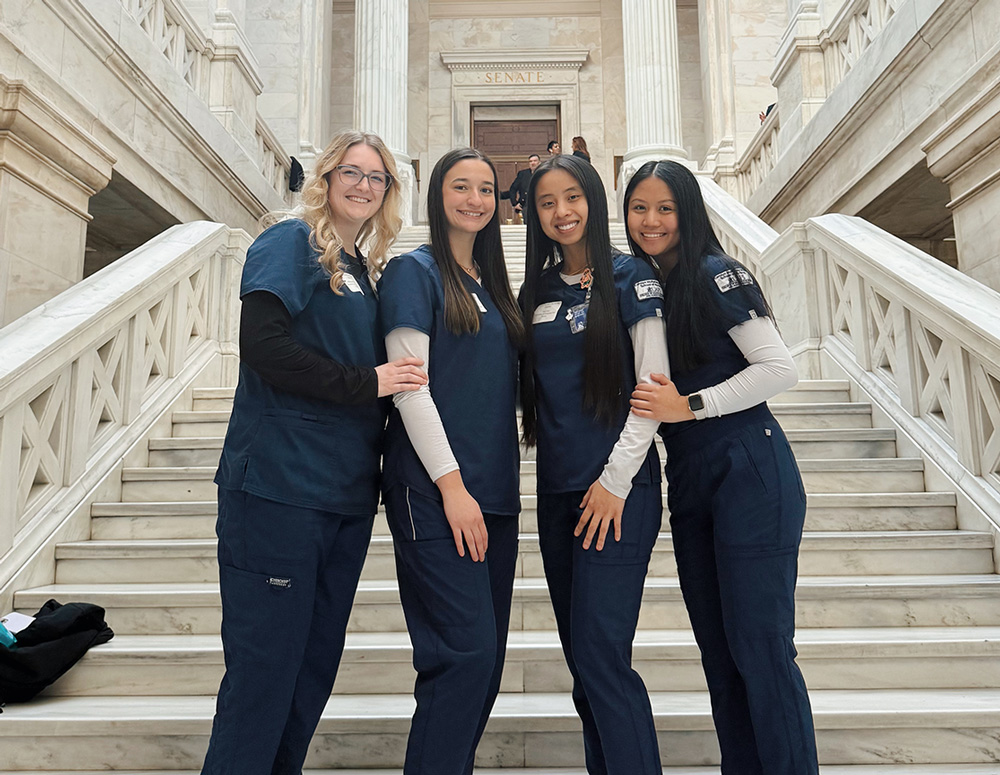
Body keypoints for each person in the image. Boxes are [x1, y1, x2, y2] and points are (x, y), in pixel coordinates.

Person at [203, 131, 428, 775]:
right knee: (264, 676)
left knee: (310, 675)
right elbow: (266, 349)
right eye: (350, 172)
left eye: (376, 177)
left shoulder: (363, 269)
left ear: (388, 192)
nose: (363, 185)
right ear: (326, 178)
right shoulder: (289, 243)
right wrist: (370, 383)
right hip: (278, 488)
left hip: (343, 497)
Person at [625, 159, 819, 775]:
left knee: (761, 649)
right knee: (720, 653)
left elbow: (779, 369)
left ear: (688, 212)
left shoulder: (716, 273)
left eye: (665, 208)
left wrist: (692, 405)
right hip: (690, 477)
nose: (651, 221)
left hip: (749, 467)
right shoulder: (650, 283)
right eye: (639, 208)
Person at [378, 147, 525, 775]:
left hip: (495, 495)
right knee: (461, 657)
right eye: (460, 187)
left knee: (483, 664)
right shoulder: (414, 272)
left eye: (486, 189)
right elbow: (411, 386)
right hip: (436, 492)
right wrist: (452, 486)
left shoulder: (493, 287)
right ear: (436, 197)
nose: (475, 200)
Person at [519, 154, 667, 775]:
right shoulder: (536, 291)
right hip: (558, 493)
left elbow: (653, 393)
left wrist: (614, 484)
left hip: (617, 492)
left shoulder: (633, 278)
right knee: (583, 659)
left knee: (603, 654)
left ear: (595, 200)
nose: (561, 212)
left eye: (572, 197)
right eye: (547, 202)